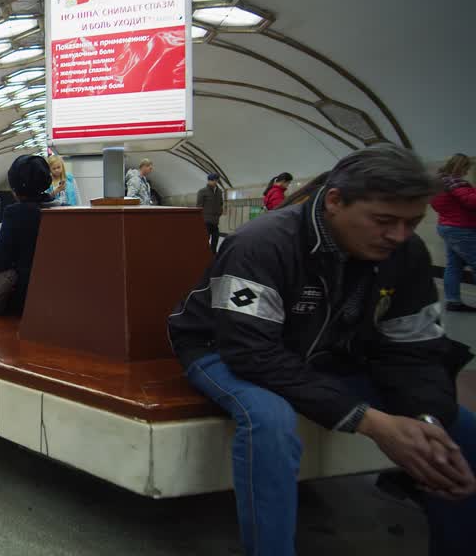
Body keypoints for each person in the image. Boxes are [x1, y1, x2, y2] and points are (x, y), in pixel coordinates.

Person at [167, 144, 476, 556]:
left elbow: (414, 349)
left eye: (412, 222)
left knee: (458, 430)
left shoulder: (405, 254)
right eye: (383, 220)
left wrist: (426, 418)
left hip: (327, 354)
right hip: (220, 348)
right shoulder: (262, 244)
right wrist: (371, 422)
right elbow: (251, 352)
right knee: (270, 420)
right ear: (334, 201)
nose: (398, 235)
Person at [0, 155, 53, 315]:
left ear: (15, 186)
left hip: (24, 298)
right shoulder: (63, 209)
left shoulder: (15, 213)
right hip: (57, 294)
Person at [432, 153, 476, 312]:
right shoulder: (455, 181)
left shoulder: (438, 181)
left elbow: (436, 205)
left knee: (454, 265)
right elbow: (472, 202)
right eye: (466, 168)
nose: (466, 171)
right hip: (461, 228)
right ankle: (453, 301)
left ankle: (453, 301)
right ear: (460, 166)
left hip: (447, 226)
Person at [196, 173, 225, 254]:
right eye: (214, 180)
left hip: (215, 220)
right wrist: (200, 218)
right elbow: (199, 206)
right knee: (205, 238)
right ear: (209, 181)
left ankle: (213, 254)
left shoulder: (219, 191)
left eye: (217, 180)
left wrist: (220, 211)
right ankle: (203, 253)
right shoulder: (202, 191)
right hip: (206, 220)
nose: (216, 182)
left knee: (215, 238)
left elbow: (220, 203)